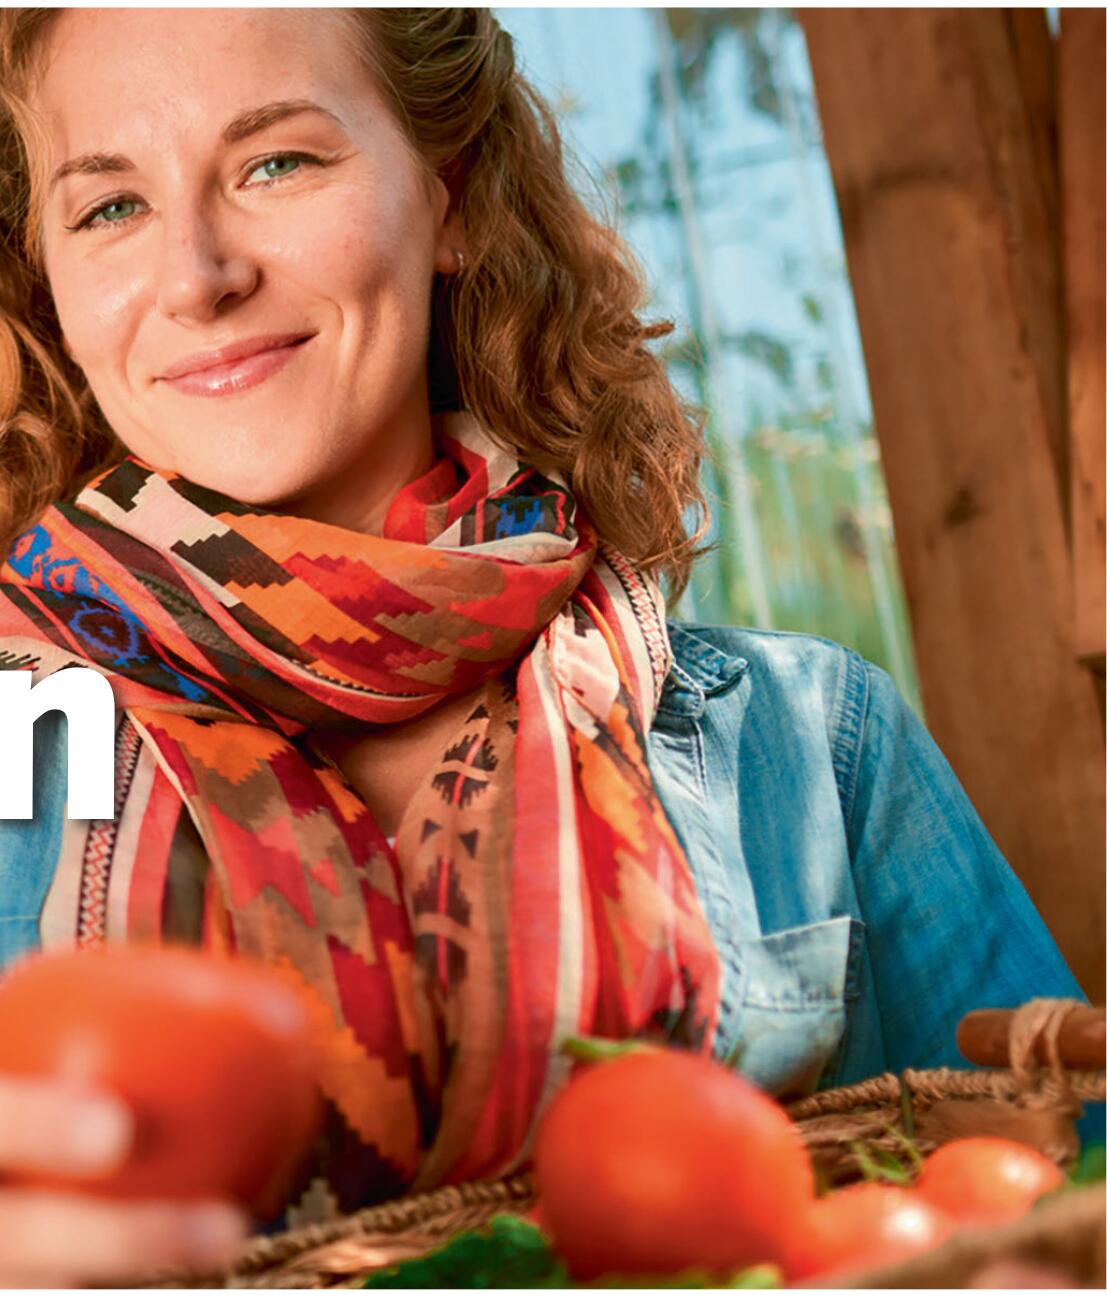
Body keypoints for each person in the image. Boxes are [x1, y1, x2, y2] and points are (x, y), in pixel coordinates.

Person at [0, 7, 1086, 1286]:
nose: (198, 273)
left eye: (276, 162)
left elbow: (1052, 1197)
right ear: (52, 286)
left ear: (447, 200)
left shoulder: (814, 742)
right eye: (109, 207)